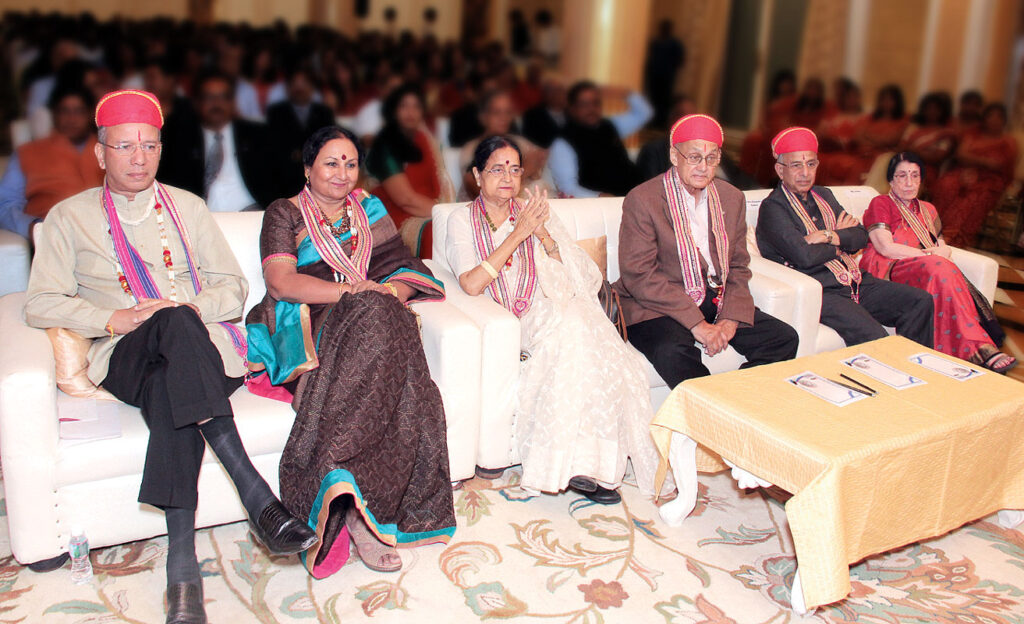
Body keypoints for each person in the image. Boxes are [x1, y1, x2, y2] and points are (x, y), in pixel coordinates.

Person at [24, 90, 316, 624]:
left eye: (150, 146)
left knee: (173, 363)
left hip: (199, 350)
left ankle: (181, 572)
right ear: (100, 153)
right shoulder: (69, 218)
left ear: (161, 149)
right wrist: (116, 319)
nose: (139, 158)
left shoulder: (189, 208)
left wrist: (181, 307)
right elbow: (41, 301)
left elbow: (231, 290)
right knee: (167, 335)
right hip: (124, 354)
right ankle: (254, 491)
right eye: (125, 146)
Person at [245, 125, 456, 579]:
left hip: (377, 317)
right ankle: (356, 515)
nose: (342, 173)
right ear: (307, 169)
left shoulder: (369, 209)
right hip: (316, 317)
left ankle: (352, 503)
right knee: (379, 321)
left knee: (385, 320)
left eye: (350, 163)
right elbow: (282, 282)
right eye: (330, 162)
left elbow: (400, 267)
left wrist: (386, 293)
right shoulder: (284, 213)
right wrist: (352, 293)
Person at [445, 135, 662, 504]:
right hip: (517, 313)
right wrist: (519, 234)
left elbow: (585, 279)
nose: (508, 178)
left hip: (558, 302)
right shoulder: (461, 219)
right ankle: (573, 464)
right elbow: (470, 282)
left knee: (593, 338)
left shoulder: (535, 210)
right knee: (576, 331)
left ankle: (592, 465)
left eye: (515, 169)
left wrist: (544, 235)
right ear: (477, 176)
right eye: (497, 169)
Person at [617, 114, 798, 388]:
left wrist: (729, 318)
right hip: (653, 304)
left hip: (713, 297)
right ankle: (712, 416)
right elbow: (639, 275)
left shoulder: (731, 198)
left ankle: (733, 404)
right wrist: (697, 324)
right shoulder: (643, 200)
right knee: (673, 351)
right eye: (694, 157)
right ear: (674, 155)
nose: (703, 167)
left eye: (711, 158)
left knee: (783, 339)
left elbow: (737, 266)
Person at [756, 127, 934, 347]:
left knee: (920, 301)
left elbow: (860, 236)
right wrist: (842, 240)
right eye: (796, 165)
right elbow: (804, 257)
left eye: (810, 164)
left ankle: (914, 370)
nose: (805, 172)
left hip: (855, 280)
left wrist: (827, 236)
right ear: (780, 170)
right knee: (875, 338)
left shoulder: (824, 194)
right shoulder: (773, 208)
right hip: (823, 291)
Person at [860, 152, 1014, 372]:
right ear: (891, 180)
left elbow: (939, 244)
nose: (909, 182)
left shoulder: (928, 209)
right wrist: (931, 257)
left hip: (926, 268)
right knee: (938, 266)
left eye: (915, 175)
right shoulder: (881, 203)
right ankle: (978, 348)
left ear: (922, 179)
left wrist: (942, 252)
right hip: (888, 266)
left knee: (940, 269)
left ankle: (954, 353)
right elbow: (886, 247)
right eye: (901, 176)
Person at [157, 70, 283, 211]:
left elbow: (280, 181)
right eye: (209, 97)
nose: (217, 103)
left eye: (224, 97)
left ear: (233, 102)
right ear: (197, 103)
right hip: (203, 218)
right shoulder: (180, 140)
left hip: (253, 214)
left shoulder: (258, 136)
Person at [0, 83, 103, 241]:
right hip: (50, 239)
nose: (71, 118)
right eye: (64, 111)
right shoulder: (27, 153)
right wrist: (33, 227)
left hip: (104, 237)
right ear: (54, 114)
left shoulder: (110, 151)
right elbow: (5, 205)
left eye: (79, 111)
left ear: (90, 114)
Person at [366, 83, 454, 258]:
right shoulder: (385, 145)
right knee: (434, 231)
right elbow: (405, 199)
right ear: (393, 111)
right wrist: (447, 215)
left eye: (416, 107)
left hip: (426, 208)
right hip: (391, 216)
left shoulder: (423, 140)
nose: (410, 112)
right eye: (404, 106)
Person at [932, 103, 1018, 248]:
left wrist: (978, 166)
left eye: (999, 117)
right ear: (984, 119)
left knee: (972, 194)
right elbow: (961, 154)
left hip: (990, 180)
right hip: (963, 171)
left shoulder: (1008, 142)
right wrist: (974, 166)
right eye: (991, 116)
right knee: (946, 184)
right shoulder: (972, 134)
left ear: (1004, 121)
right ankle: (932, 229)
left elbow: (998, 164)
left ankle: (953, 237)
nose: (994, 120)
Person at [548, 81, 652, 197]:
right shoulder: (562, 143)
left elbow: (644, 113)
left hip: (637, 194)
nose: (591, 109)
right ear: (572, 108)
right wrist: (599, 196)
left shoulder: (610, 125)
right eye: (584, 104)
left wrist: (623, 93)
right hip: (604, 205)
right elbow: (567, 188)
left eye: (595, 103)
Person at [458, 90, 547, 200]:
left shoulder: (520, 142)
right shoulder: (472, 149)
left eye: (507, 112)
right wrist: (525, 170)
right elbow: (479, 191)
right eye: (496, 112)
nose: (503, 118)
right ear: (483, 116)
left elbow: (540, 160)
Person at [267, 66, 337, 196]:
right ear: (287, 88)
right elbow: (275, 144)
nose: (299, 88)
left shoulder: (324, 113)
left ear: (312, 87)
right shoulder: (276, 113)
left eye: (304, 83)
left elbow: (329, 141)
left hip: (318, 170)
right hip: (286, 173)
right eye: (295, 83)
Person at [819, 84, 908, 185]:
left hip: (881, 155)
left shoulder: (902, 120)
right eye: (883, 100)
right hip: (862, 153)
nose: (886, 103)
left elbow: (890, 140)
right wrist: (877, 140)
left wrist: (870, 137)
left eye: (889, 100)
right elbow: (858, 136)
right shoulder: (871, 118)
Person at [898, 92, 956, 193]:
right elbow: (901, 147)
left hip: (927, 168)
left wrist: (914, 151)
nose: (932, 112)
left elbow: (937, 157)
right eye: (929, 108)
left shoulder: (945, 133)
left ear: (942, 111)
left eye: (936, 109)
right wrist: (921, 152)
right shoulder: (914, 128)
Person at [643, 20, 685, 129]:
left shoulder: (675, 44)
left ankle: (661, 123)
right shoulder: (655, 42)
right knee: (653, 100)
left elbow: (680, 60)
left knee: (664, 101)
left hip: (667, 78)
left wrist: (669, 68)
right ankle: (653, 122)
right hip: (654, 77)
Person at [521, 75, 567, 149]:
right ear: (544, 94)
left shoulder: (572, 115)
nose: (556, 95)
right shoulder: (533, 116)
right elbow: (529, 142)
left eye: (559, 90)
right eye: (551, 91)